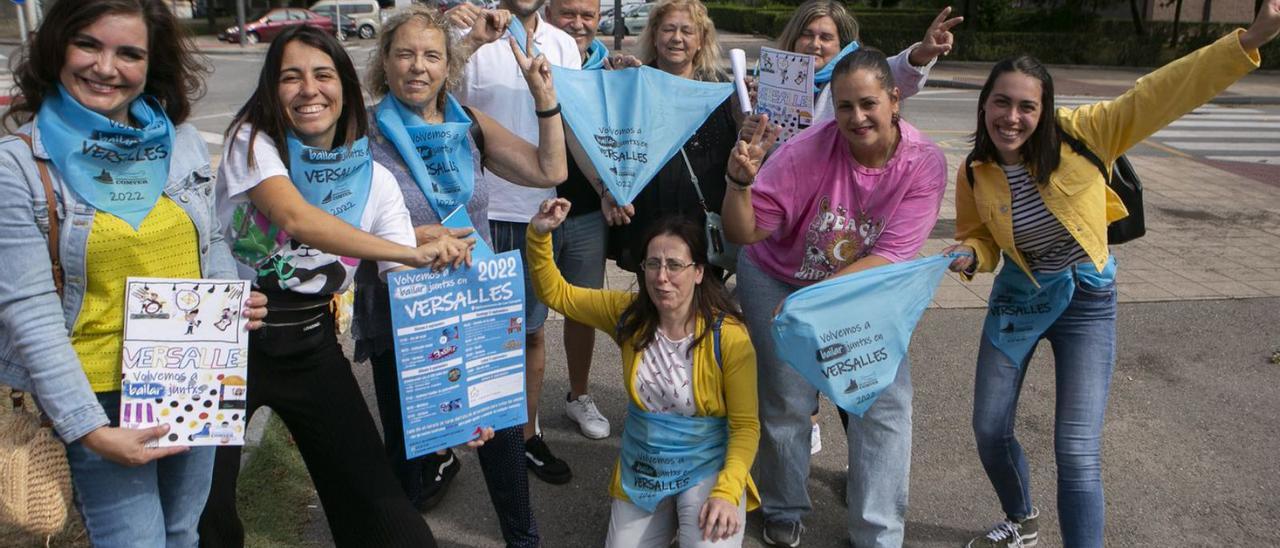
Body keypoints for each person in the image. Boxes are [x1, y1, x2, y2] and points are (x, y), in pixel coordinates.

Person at [948, 5, 1279, 547]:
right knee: (988, 428)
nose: (1011, 117)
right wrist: (969, 257)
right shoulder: (974, 169)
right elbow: (979, 238)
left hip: (1086, 300)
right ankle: (1022, 520)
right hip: (1019, 299)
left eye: (1026, 106)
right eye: (1001, 102)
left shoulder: (1087, 133)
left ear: (1045, 109)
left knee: (1077, 450)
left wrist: (1249, 40)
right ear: (984, 104)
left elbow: (1164, 90)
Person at [198, 25, 489, 548]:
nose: (309, 89)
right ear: (272, 89)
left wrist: (457, 405)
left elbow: (414, 301)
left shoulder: (375, 181)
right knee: (205, 517)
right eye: (291, 77)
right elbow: (296, 216)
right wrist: (409, 248)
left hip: (312, 349)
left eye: (323, 75)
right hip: (226, 350)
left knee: (392, 525)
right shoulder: (252, 141)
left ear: (346, 88)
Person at [0, 0, 266, 545]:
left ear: (150, 64)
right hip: (97, 394)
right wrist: (91, 431)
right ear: (57, 48)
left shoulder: (180, 142)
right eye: (89, 45)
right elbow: (28, 311)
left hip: (189, 379)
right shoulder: (19, 166)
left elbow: (208, 241)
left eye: (128, 53)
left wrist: (228, 300)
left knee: (183, 533)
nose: (106, 67)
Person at [352, 7, 565, 545]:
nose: (417, 67)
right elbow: (341, 221)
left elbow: (550, 170)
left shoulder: (467, 122)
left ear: (450, 66)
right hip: (402, 310)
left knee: (502, 442)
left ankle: (524, 539)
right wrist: (416, 240)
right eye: (404, 54)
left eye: (431, 55)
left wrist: (544, 98)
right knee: (408, 447)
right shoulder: (362, 129)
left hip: (479, 305)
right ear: (385, 62)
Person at [721, 49, 947, 547]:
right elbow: (744, 234)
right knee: (787, 398)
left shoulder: (923, 162)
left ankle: (878, 531)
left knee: (882, 400)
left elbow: (889, 257)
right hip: (777, 276)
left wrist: (813, 301)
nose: (857, 117)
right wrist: (738, 183)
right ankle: (783, 507)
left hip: (861, 284)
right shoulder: (803, 152)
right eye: (844, 107)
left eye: (868, 104)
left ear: (894, 100)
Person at [746, 0, 960, 458]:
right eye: (808, 34)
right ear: (793, 40)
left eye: (827, 37)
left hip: (847, 255)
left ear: (843, 47)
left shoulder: (851, 89)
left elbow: (887, 82)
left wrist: (921, 55)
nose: (816, 43)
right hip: (785, 235)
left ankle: (857, 465)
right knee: (789, 385)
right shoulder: (774, 83)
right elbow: (748, 158)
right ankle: (800, 445)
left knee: (857, 381)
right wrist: (748, 120)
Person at [527, 199, 759, 547]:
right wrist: (539, 235)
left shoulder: (729, 336)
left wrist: (727, 491)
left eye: (674, 265)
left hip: (708, 462)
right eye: (653, 264)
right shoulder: (628, 315)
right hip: (644, 462)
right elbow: (556, 293)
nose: (662, 277)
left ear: (698, 272)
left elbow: (745, 427)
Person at [446, 0, 579, 483]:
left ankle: (524, 437)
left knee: (530, 331)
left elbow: (573, 123)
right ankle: (447, 437)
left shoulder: (564, 44)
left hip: (536, 209)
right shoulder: (467, 31)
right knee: (460, 333)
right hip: (474, 210)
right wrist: (466, 37)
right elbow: (429, 93)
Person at [539, 0, 634, 444]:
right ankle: (525, 412)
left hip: (586, 214)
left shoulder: (609, 71)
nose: (578, 23)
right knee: (529, 316)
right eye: (568, 13)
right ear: (549, 14)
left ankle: (578, 395)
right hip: (531, 209)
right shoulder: (532, 60)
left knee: (581, 308)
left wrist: (628, 79)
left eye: (588, 15)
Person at [606, 0, 737, 276]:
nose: (677, 38)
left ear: (701, 41)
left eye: (687, 31)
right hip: (649, 216)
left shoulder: (719, 89)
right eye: (668, 29)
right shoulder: (632, 82)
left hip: (701, 220)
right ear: (654, 36)